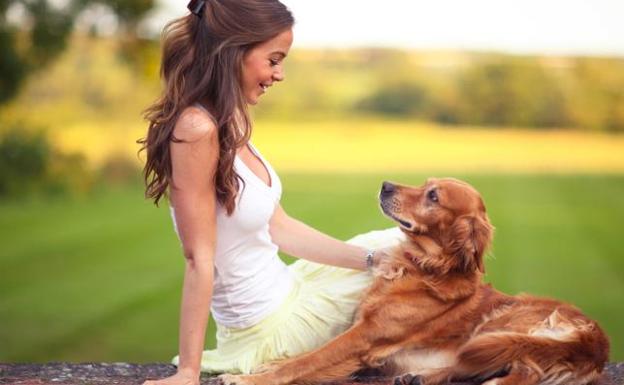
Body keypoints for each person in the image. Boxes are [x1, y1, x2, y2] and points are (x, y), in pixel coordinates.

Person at [139, 1, 404, 384]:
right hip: (270, 331)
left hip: (291, 289)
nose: (279, 74)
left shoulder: (230, 118)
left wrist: (371, 260)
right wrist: (188, 373)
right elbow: (199, 257)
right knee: (421, 258)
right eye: (274, 60)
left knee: (399, 245)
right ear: (234, 52)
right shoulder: (196, 129)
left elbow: (279, 227)